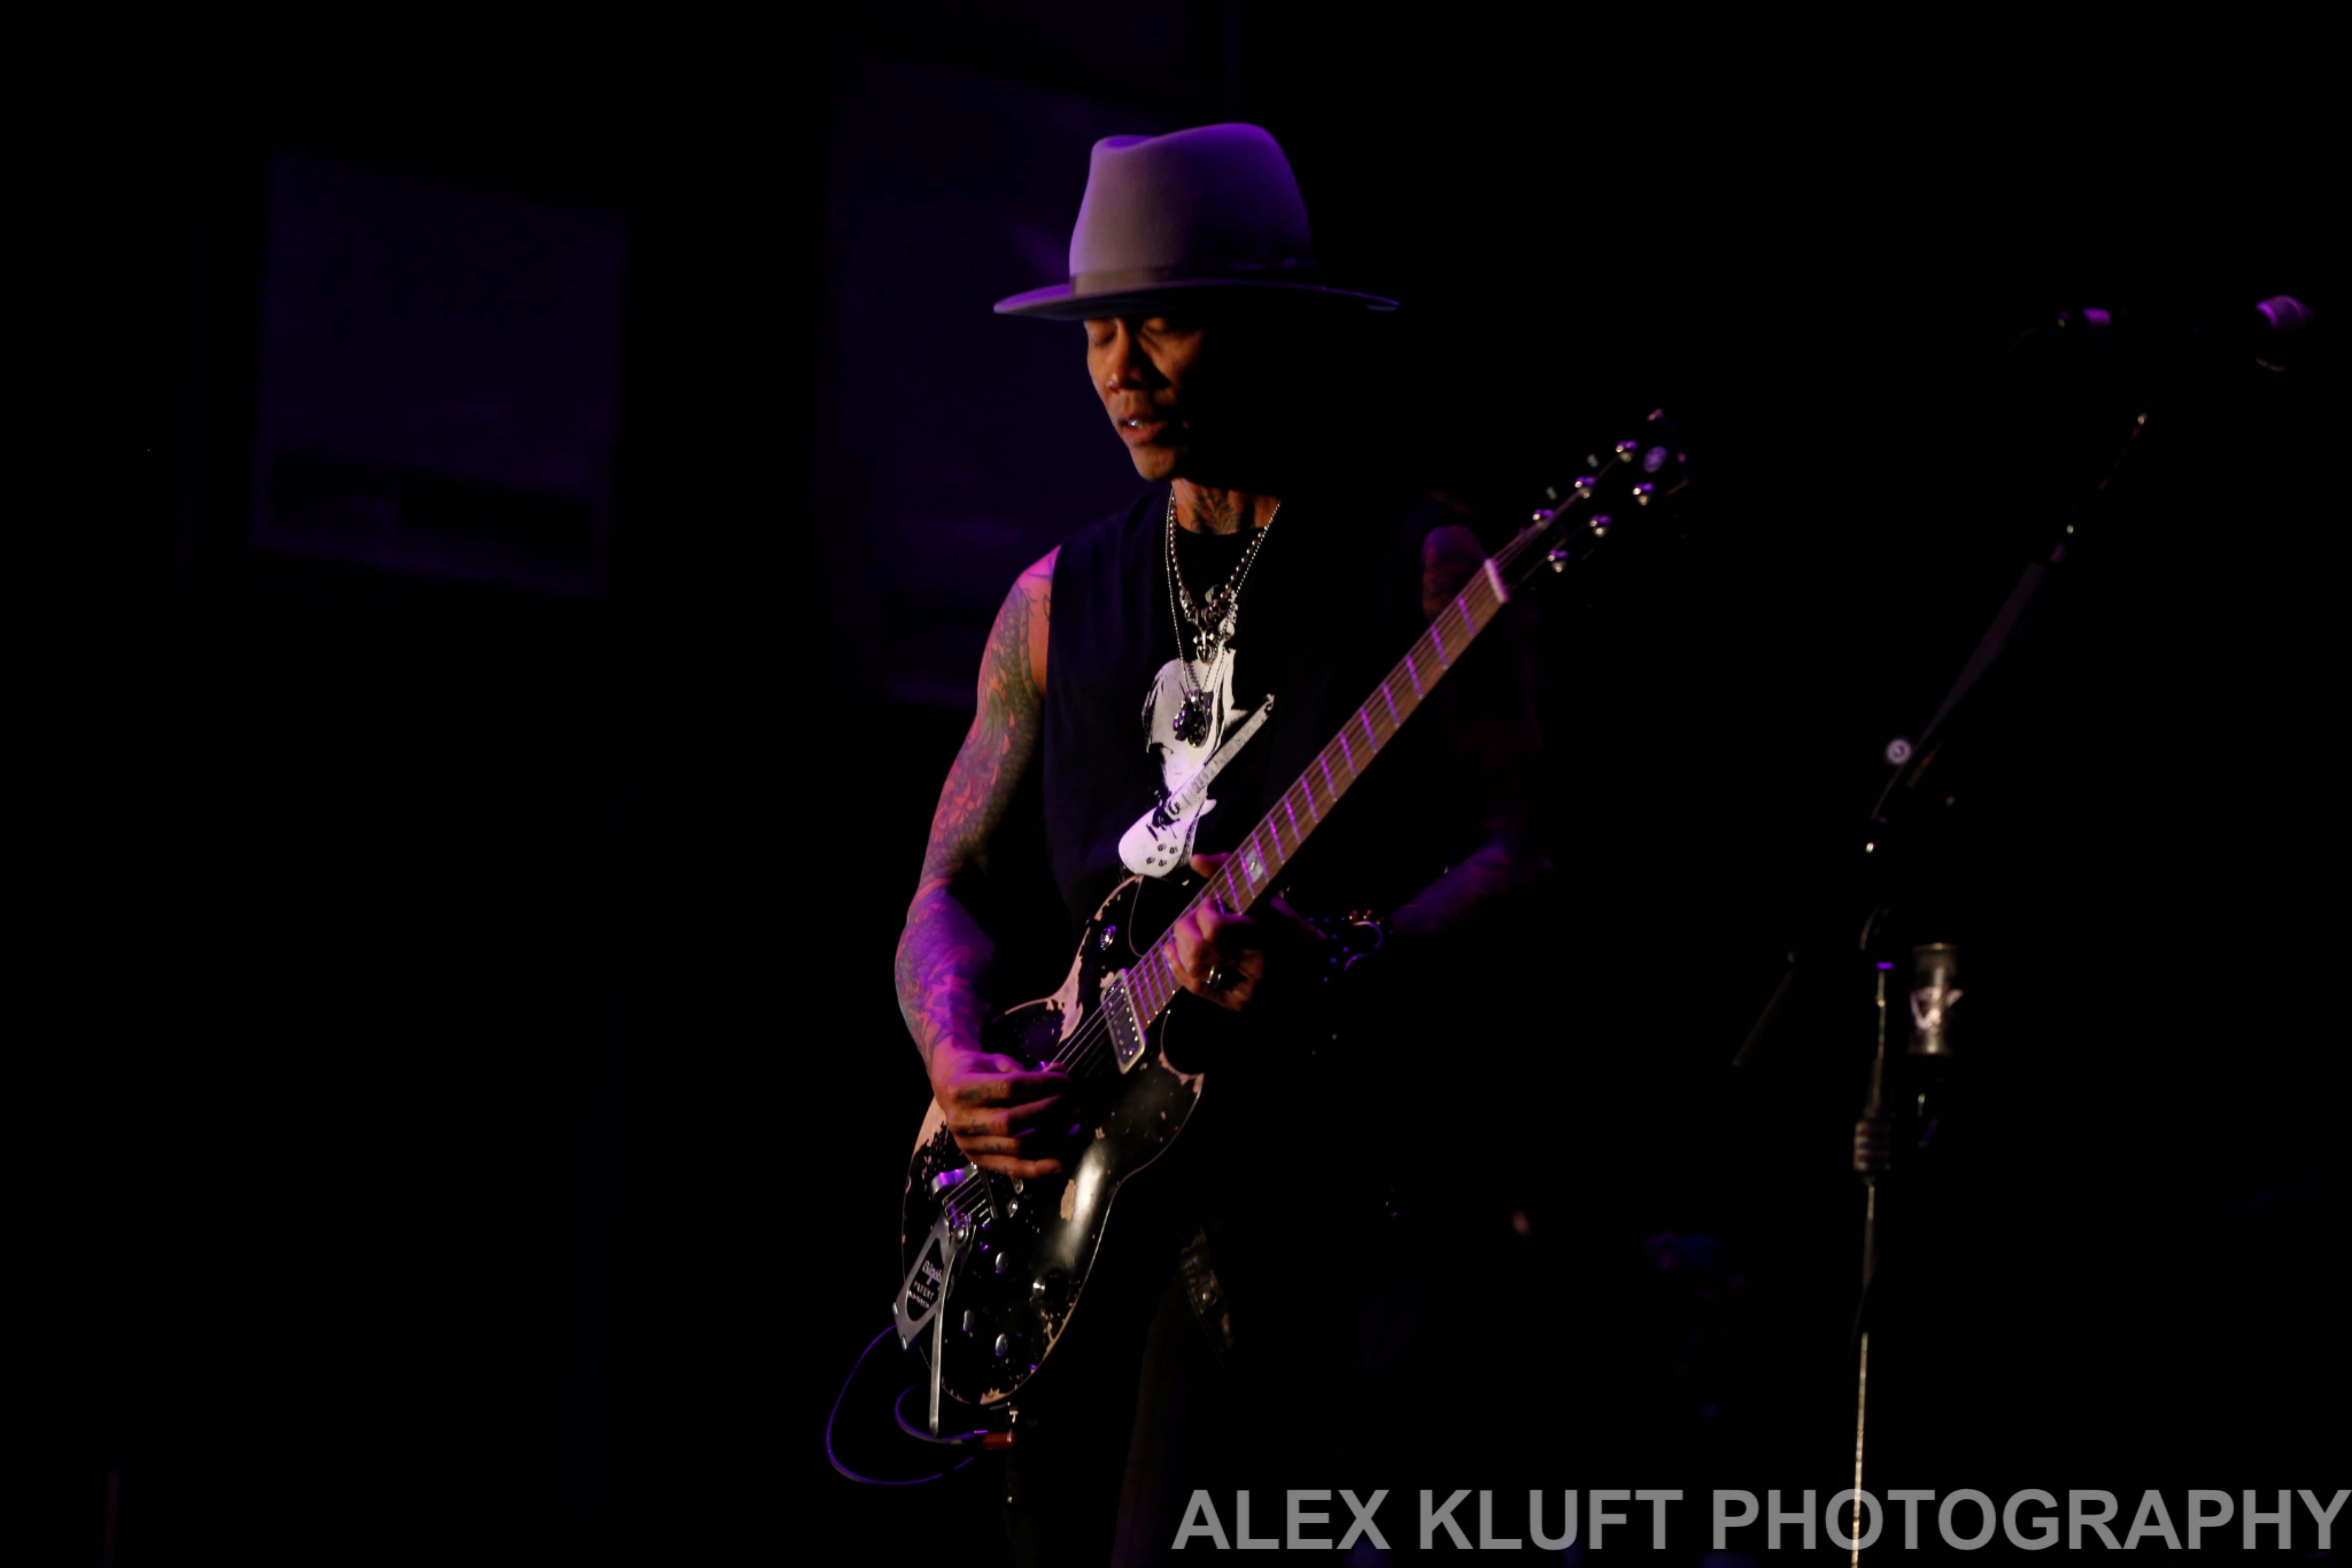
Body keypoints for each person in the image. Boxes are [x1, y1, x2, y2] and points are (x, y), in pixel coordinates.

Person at [893, 123, 1548, 1566]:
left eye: (1165, 324)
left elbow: (1527, 860)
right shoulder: (1052, 603)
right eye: (1099, 333)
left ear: (1269, 330)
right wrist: (953, 1056)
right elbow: (946, 892)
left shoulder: (1419, 568)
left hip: (1314, 1216)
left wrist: (1352, 961)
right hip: (1077, 1213)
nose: (1122, 369)